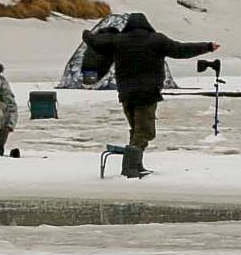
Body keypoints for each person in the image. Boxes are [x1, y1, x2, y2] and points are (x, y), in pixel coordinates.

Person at [80, 13, 216, 178]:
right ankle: (130, 168)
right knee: (145, 131)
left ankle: (136, 165)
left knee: (136, 129)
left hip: (126, 93)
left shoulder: (118, 41)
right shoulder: (157, 40)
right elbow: (181, 50)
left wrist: (86, 33)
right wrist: (207, 46)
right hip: (148, 93)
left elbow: (96, 42)